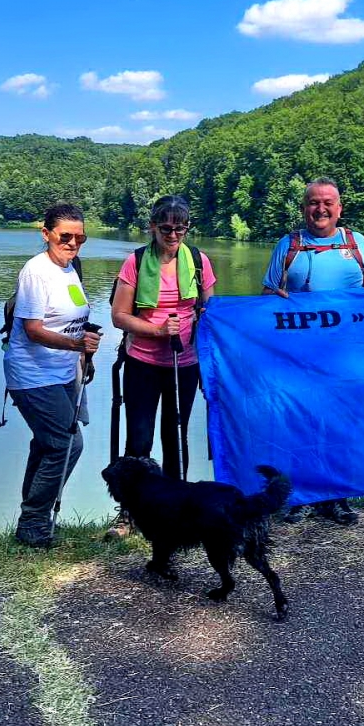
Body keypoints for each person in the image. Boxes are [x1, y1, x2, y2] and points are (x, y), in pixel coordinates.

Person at [261, 177, 364, 525]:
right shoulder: (288, 245)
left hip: (347, 357)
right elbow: (266, 297)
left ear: (339, 208)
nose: (321, 209)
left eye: (328, 202)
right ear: (304, 209)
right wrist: (276, 300)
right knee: (299, 425)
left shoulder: (357, 242)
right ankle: (297, 495)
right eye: (314, 202)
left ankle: (336, 498)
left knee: (340, 427)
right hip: (298, 358)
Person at [107, 195, 216, 538]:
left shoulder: (198, 261)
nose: (173, 235)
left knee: (176, 436)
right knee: (139, 439)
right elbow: (118, 316)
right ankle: (130, 513)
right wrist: (155, 330)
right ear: (153, 227)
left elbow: (212, 312)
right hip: (143, 362)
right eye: (166, 228)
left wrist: (205, 320)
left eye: (180, 229)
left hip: (184, 363)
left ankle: (176, 509)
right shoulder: (136, 262)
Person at [3, 202, 102, 549]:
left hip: (62, 373)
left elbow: (70, 315)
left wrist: (84, 348)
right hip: (31, 374)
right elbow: (32, 330)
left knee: (48, 443)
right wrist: (77, 345)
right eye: (65, 236)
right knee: (65, 444)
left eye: (80, 237)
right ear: (46, 234)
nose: (73, 243)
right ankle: (33, 521)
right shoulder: (36, 271)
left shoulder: (72, 268)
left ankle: (30, 520)